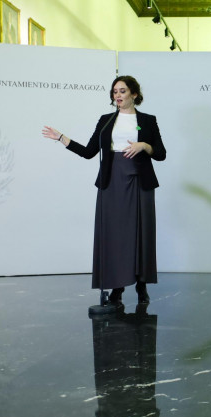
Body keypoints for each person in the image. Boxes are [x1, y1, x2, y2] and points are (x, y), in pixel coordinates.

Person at [42, 75, 166, 306]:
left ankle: (141, 285)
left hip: (140, 181)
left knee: (141, 233)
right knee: (116, 235)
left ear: (134, 95)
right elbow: (89, 152)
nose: (117, 95)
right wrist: (60, 137)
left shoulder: (148, 120)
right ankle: (117, 287)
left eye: (122, 91)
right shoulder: (106, 121)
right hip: (112, 181)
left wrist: (144, 145)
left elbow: (161, 153)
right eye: (115, 92)